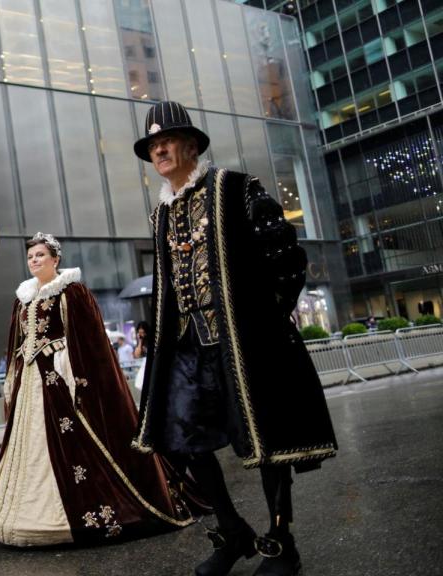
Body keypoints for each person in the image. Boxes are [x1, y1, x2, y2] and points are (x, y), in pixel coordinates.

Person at [130, 101, 337, 576]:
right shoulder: (159, 215)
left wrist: (263, 323)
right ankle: (232, 531)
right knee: (179, 439)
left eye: (167, 140)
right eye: (152, 145)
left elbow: (287, 257)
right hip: (186, 348)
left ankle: (281, 541)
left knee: (266, 440)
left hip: (243, 343)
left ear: (191, 145)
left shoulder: (235, 188)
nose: (158, 148)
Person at [0, 232, 199, 547]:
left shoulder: (71, 292)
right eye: (31, 256)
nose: (34, 261)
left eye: (40, 255)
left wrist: (72, 372)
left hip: (60, 380)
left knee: (74, 442)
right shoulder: (25, 298)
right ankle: (22, 513)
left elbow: (89, 342)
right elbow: (17, 344)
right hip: (31, 383)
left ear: (55, 259)